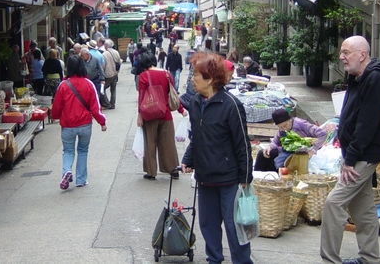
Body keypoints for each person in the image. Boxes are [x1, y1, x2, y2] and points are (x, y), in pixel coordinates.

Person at [320, 36, 380, 264]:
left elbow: (366, 125)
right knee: (363, 210)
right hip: (355, 154)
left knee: (334, 204)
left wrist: (350, 159)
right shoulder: (357, 77)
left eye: (346, 52)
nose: (341, 57)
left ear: (362, 55)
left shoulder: (375, 79)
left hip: (363, 157)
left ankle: (330, 260)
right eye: (341, 52)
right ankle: (370, 259)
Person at [181, 52, 253, 264]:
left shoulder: (231, 105)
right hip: (205, 177)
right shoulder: (195, 103)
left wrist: (245, 177)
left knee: (234, 226)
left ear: (210, 79)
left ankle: (241, 261)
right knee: (208, 223)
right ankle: (214, 259)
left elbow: (242, 144)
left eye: (196, 75)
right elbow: (196, 136)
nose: (192, 79)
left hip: (229, 178)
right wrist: (189, 159)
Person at [50, 55, 107, 190]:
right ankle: (81, 180)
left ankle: (67, 171)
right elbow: (95, 107)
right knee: (83, 150)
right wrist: (102, 122)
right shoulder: (89, 84)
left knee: (68, 151)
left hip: (68, 125)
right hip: (85, 124)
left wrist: (55, 116)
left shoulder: (63, 85)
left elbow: (57, 106)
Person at [137, 52, 186, 180]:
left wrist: (140, 115)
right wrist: (181, 110)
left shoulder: (143, 76)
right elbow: (173, 94)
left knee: (150, 143)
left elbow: (141, 97)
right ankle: (173, 170)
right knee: (168, 143)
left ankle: (151, 172)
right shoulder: (166, 74)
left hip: (149, 114)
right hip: (165, 114)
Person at [254, 108, 327, 171]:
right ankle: (257, 179)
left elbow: (323, 134)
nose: (284, 128)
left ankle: (275, 179)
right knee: (263, 154)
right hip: (288, 150)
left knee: (278, 165)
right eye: (281, 127)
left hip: (303, 151)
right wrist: (269, 147)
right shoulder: (282, 129)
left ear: (290, 120)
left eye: (285, 125)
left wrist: (313, 150)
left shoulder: (300, 124)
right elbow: (276, 141)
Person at [102, 39, 121, 109]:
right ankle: (112, 104)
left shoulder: (104, 54)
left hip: (108, 74)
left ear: (106, 46)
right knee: (113, 89)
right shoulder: (116, 52)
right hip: (115, 73)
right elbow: (119, 61)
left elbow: (103, 66)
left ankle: (107, 103)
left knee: (102, 89)